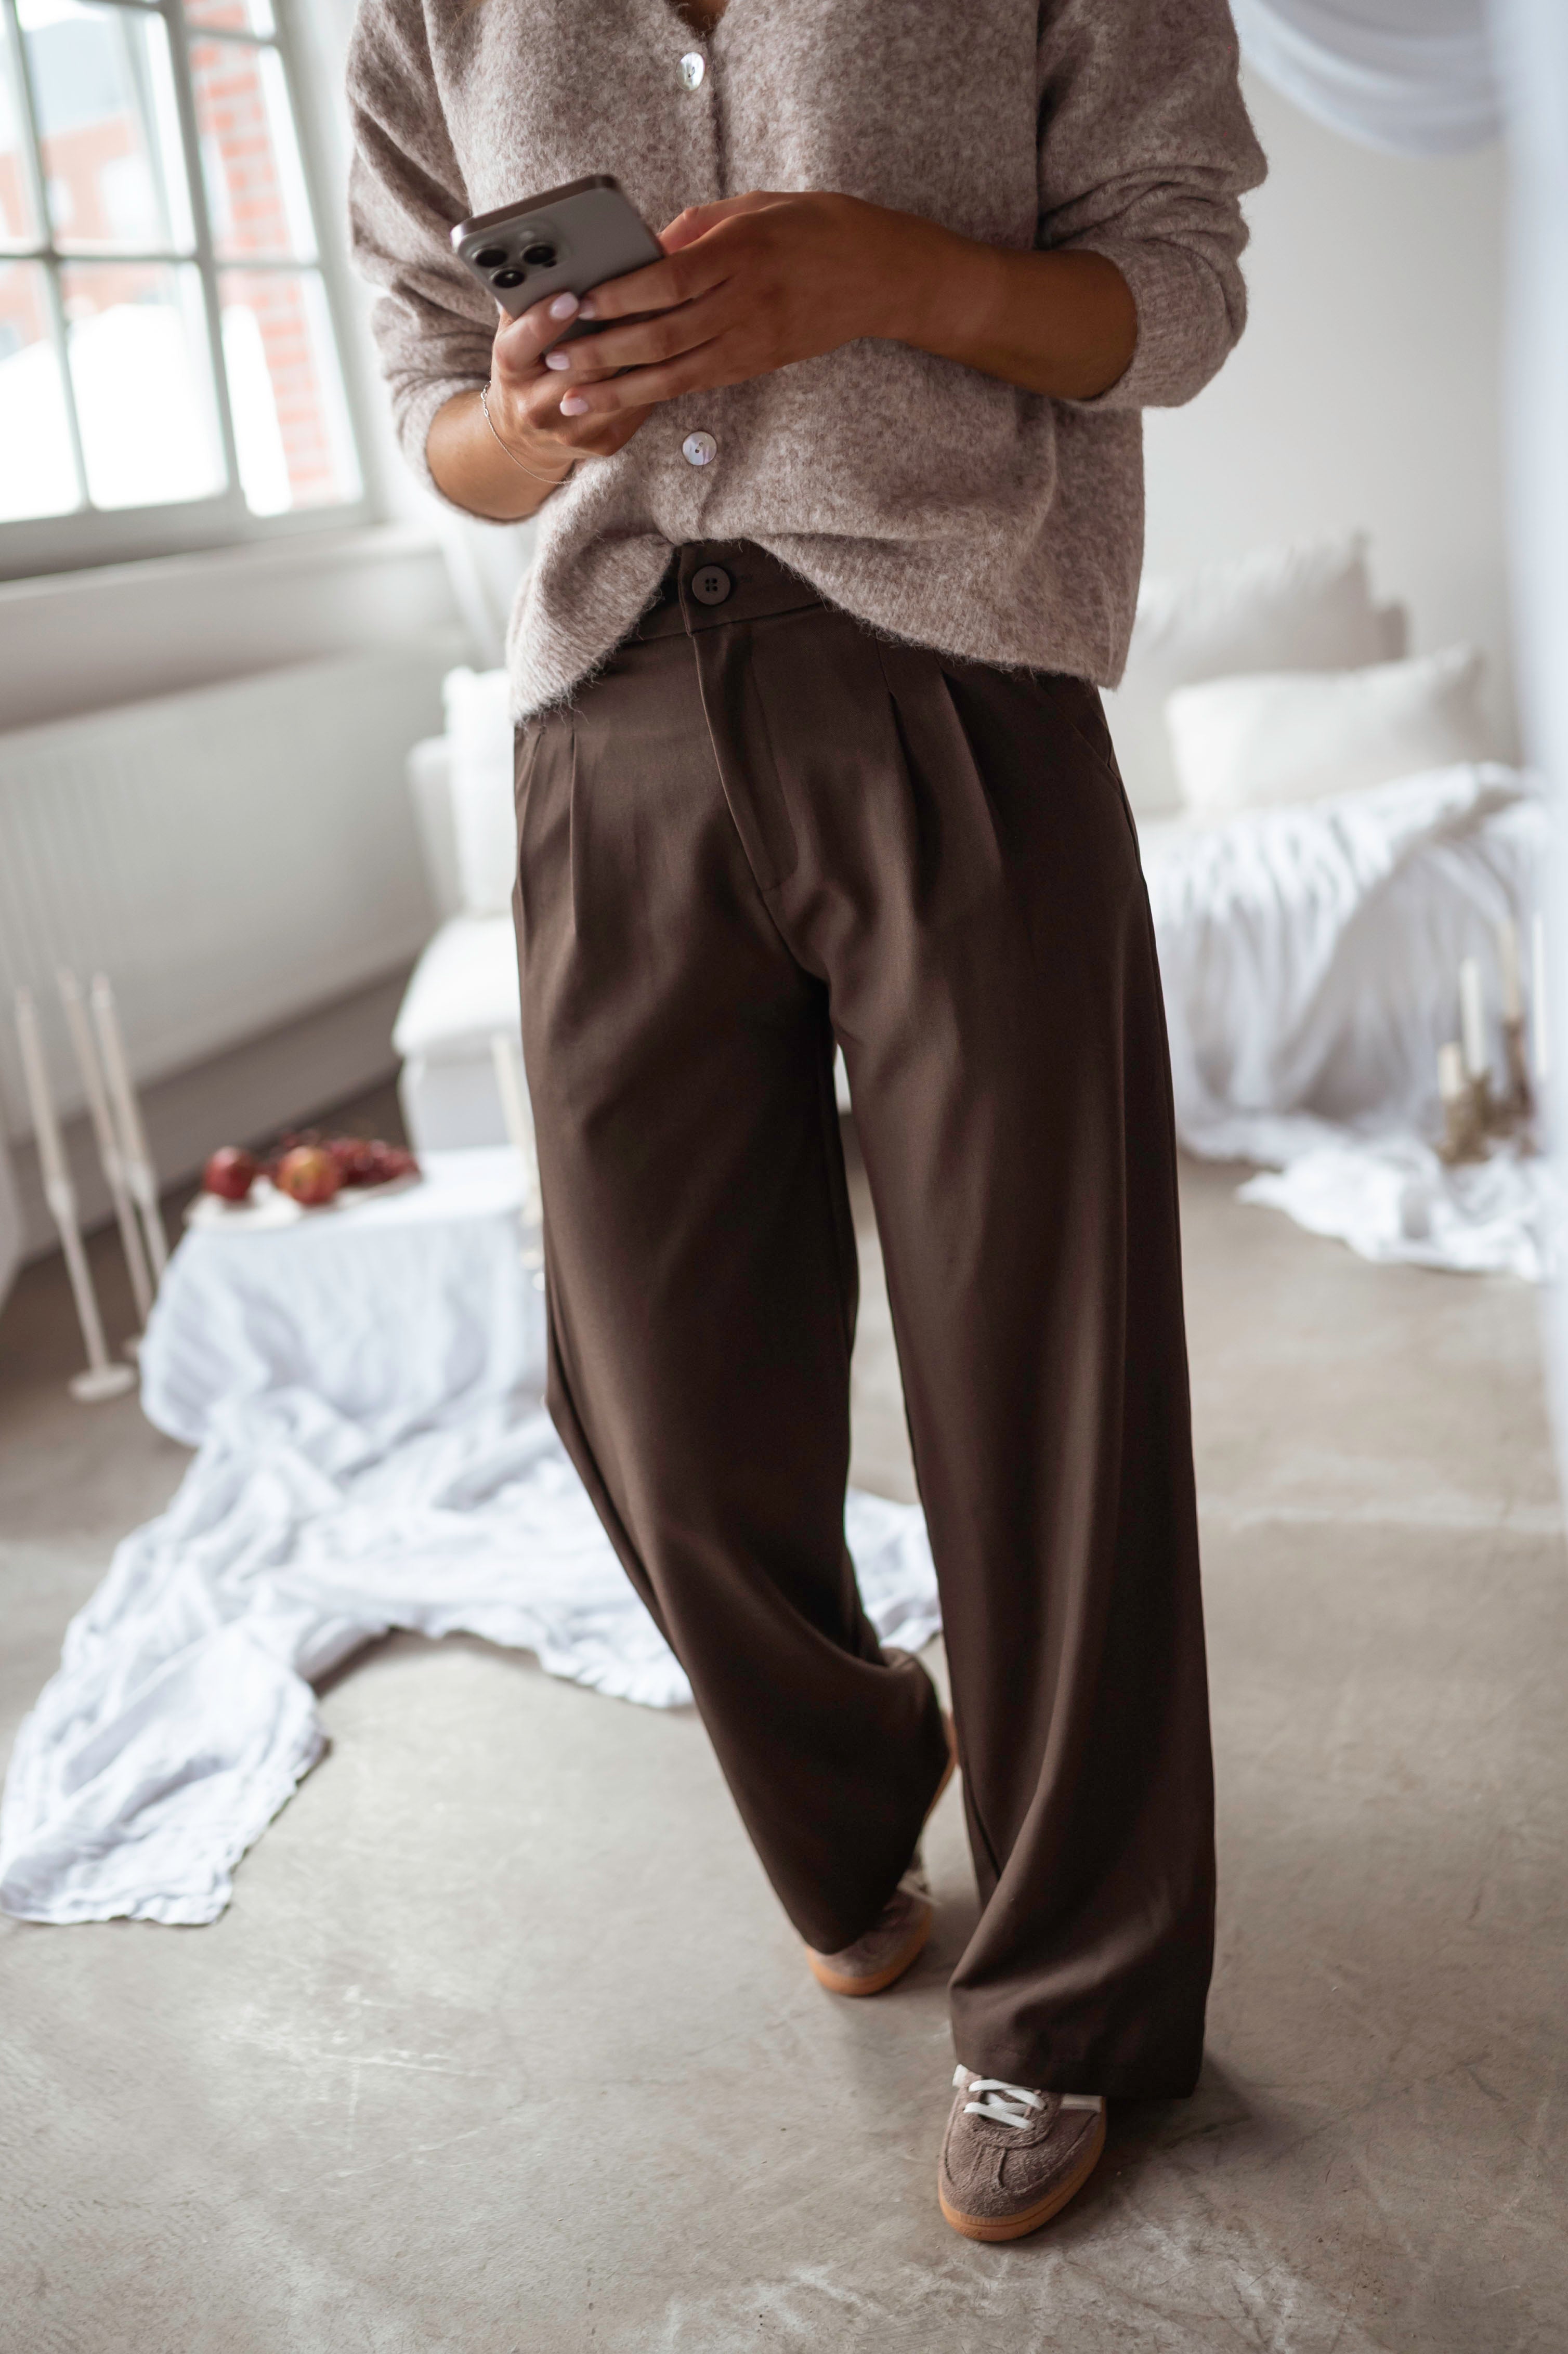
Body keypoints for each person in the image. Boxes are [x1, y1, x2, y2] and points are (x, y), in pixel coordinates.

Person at [348, 0, 1265, 2242]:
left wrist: (891, 277)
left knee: (1031, 1376)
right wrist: (521, 417)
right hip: (609, 709)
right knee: (646, 1383)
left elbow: (1180, 294)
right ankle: (863, 1779)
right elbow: (422, 413)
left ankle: (1070, 2006)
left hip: (960, 672)